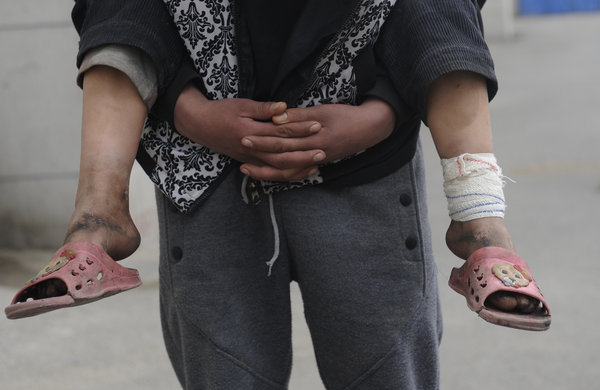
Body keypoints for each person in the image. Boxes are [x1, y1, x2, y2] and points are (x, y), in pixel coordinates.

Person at [5, 0, 550, 388]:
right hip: (210, 165)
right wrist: (188, 109)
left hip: (360, 165)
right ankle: (98, 218)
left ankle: (481, 224)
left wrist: (380, 116)